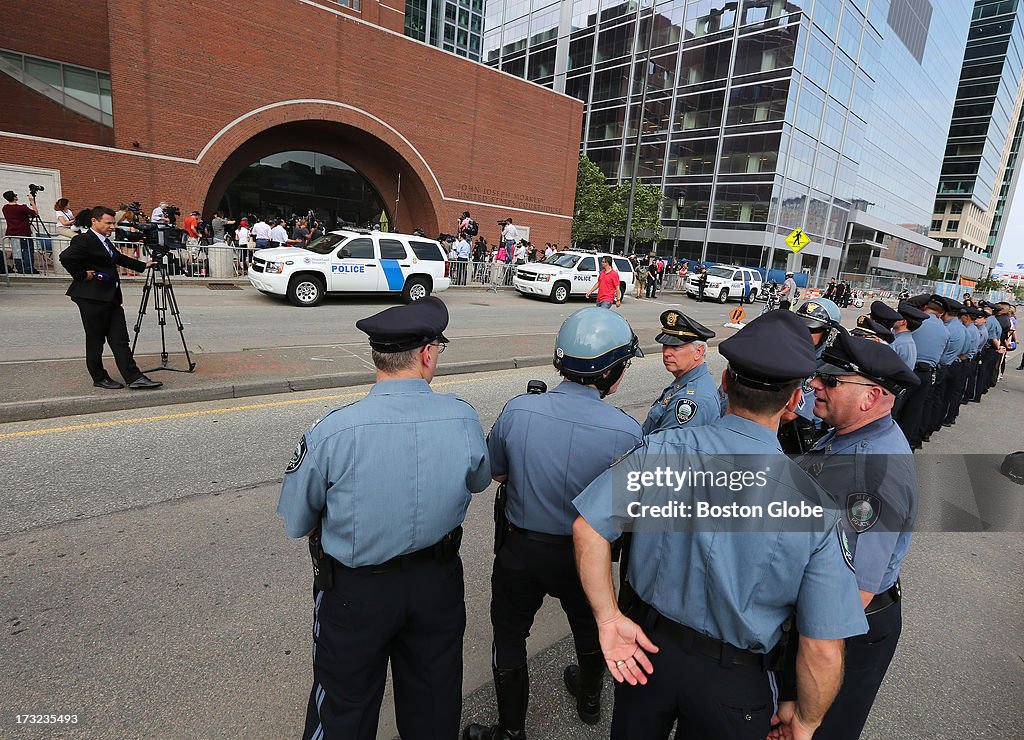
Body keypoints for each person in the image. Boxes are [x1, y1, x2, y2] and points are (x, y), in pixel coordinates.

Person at [572, 310, 867, 740]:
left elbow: (588, 528)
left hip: (649, 654)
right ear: (792, 402)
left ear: (725, 381)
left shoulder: (664, 450)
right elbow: (822, 645)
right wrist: (806, 720)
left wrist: (608, 618)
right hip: (735, 682)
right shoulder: (815, 507)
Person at [276, 296, 490, 740]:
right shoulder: (462, 416)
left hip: (358, 591)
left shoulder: (333, 430)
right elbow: (479, 480)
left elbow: (298, 521)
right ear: (428, 354)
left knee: (343, 707)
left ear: (378, 356)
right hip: (438, 581)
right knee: (433, 703)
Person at [464, 309, 644, 740]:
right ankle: (588, 698)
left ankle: (510, 732)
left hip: (521, 550)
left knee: (509, 636)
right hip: (587, 556)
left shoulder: (519, 410)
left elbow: (497, 473)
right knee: (590, 625)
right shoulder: (627, 432)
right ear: (611, 372)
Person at [799, 332, 919, 739]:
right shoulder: (850, 432)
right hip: (826, 614)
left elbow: (853, 596)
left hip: (848, 631)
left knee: (819, 728)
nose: (816, 383)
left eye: (831, 380)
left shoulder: (875, 470)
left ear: (871, 397)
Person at [58, 206, 163, 390]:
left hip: (111, 297)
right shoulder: (84, 240)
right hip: (92, 298)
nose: (112, 226)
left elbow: (117, 258)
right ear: (94, 221)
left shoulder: (104, 241)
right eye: (108, 223)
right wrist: (83, 275)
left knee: (120, 339)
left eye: (113, 223)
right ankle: (99, 377)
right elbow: (66, 258)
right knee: (96, 340)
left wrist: (143, 265)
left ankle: (134, 377)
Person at [642, 310, 720, 434]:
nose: (666, 353)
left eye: (675, 347)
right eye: (665, 345)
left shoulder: (690, 400)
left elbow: (665, 450)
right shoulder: (687, 380)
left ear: (698, 352)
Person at [3, 189, 39, 273]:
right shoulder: (22, 207)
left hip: (12, 233)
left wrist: (26, 216)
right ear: (14, 197)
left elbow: (18, 216)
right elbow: (35, 213)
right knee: (27, 251)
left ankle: (19, 268)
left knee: (16, 252)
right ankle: (28, 269)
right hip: (23, 233)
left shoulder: (5, 208)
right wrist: (32, 201)